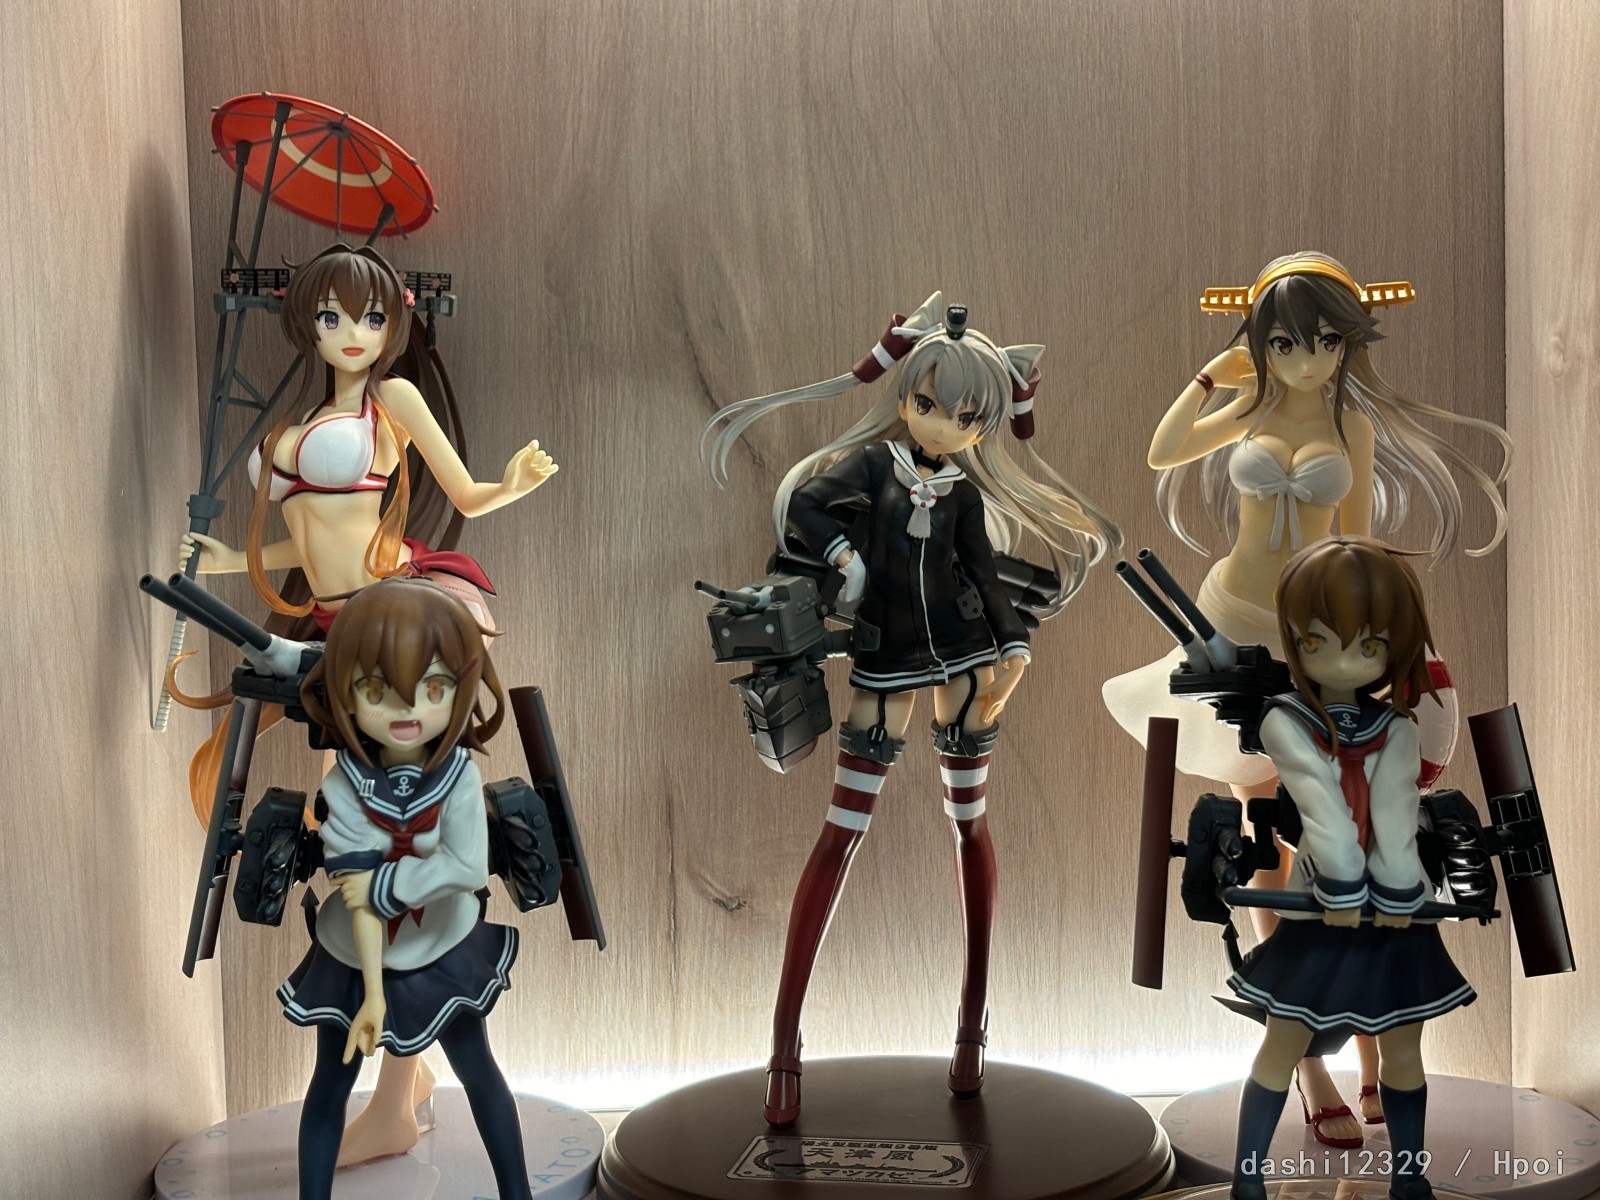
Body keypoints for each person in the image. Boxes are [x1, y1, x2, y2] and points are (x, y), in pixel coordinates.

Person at [1104, 253, 1506, 1140]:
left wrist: (1389, 635)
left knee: (1354, 827)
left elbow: (1355, 542)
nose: (1308, 359)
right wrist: (1214, 374)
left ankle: (1373, 1048)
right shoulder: (1247, 407)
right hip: (1233, 620)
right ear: (1262, 343)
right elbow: (1163, 450)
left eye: (1325, 341)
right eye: (1285, 343)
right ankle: (1304, 1061)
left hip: (1315, 633)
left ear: (1347, 343)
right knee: (1264, 842)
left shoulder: (1349, 425)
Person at [704, 290, 1121, 1125]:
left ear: (982, 426)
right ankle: (784, 1044)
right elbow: (807, 504)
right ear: (905, 399)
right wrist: (845, 558)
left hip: (964, 661)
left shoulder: (964, 495)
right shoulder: (873, 469)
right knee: (841, 832)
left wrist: (1015, 648)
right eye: (930, 405)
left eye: (966, 417)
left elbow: (987, 581)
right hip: (884, 663)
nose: (943, 425)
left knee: (970, 826)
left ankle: (971, 1026)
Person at [1226, 536, 1472, 1200]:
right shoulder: (1284, 721)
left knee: (1403, 1050)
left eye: (1369, 646)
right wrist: (1339, 885)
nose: (1342, 660)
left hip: (1391, 920)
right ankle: (1247, 1183)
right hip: (1318, 909)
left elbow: (1394, 815)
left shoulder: (1398, 729)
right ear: (1296, 640)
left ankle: (1409, 1179)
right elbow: (1320, 805)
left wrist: (1397, 891)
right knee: (1284, 1044)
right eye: (1318, 642)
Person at [287, 577, 533, 1200]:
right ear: (345, 691)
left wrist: (387, 881)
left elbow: (467, 867)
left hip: (441, 942)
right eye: (377, 692)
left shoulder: (457, 776)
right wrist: (372, 992)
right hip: (354, 951)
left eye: (435, 689)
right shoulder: (345, 784)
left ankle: (518, 1194)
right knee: (331, 1083)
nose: (409, 711)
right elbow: (357, 897)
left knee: (477, 1070)